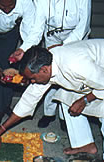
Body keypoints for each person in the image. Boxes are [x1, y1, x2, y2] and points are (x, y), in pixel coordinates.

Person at [0, 39, 104, 162]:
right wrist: (2, 129)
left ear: (44, 70)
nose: (32, 82)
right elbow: (28, 100)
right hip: (98, 73)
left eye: (33, 78)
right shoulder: (45, 65)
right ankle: (86, 145)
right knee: (66, 98)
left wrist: (85, 100)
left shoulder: (75, 65)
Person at [9, 0, 91, 129]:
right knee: (49, 77)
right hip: (52, 39)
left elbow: (83, 27)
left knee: (71, 78)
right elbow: (37, 30)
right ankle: (49, 113)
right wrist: (23, 49)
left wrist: (62, 48)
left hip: (76, 42)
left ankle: (66, 117)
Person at [0, 0, 35, 126]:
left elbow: (29, 30)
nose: (7, 10)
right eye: (2, 6)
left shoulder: (26, 3)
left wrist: (24, 50)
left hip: (12, 33)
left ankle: (7, 106)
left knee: (10, 68)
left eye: (11, 6)